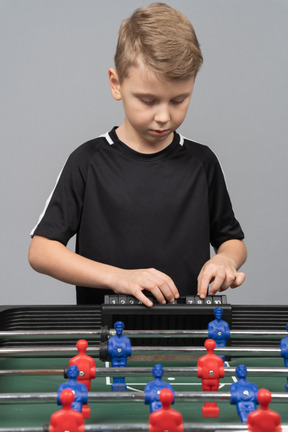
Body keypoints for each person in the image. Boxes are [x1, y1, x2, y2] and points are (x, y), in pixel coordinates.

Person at [28, 2, 247, 307]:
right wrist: (120, 278)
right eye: (148, 100)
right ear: (116, 84)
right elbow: (41, 251)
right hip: (103, 337)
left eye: (178, 100)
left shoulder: (202, 162)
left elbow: (232, 240)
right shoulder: (87, 161)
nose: (163, 116)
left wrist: (226, 261)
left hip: (190, 337)